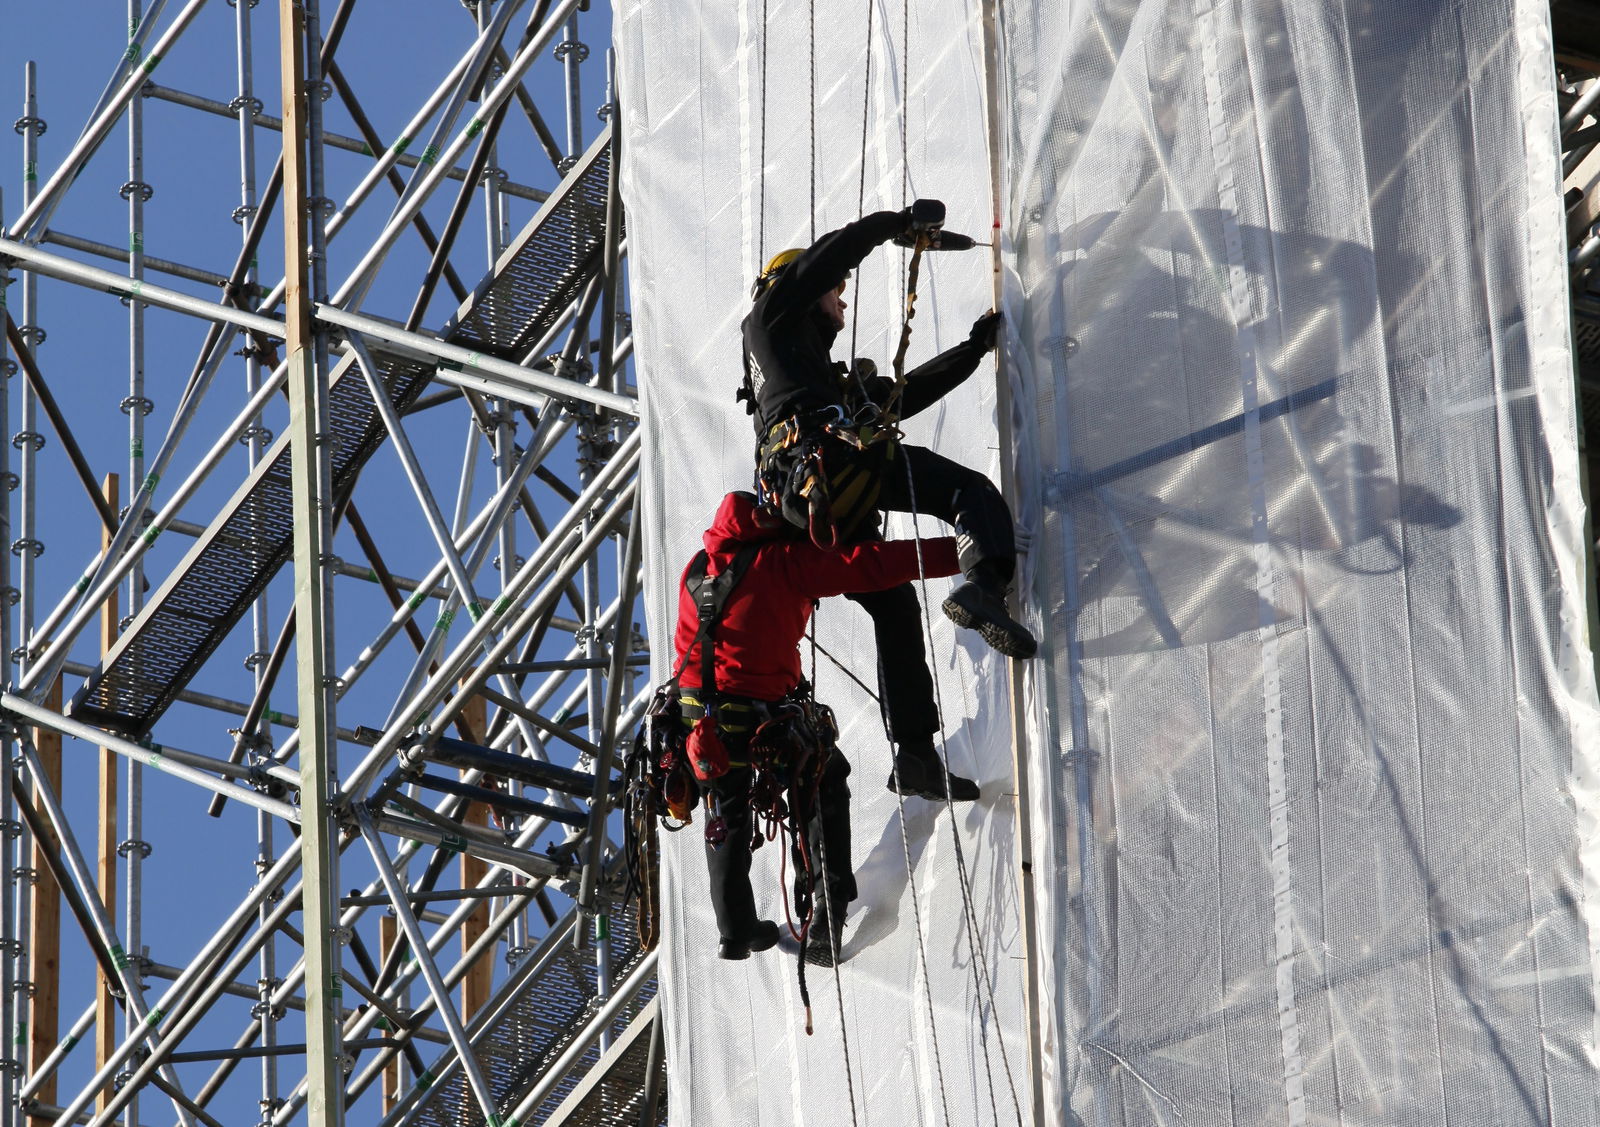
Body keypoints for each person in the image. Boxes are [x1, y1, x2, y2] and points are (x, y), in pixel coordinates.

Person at [738, 198, 1034, 803]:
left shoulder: (807, 375)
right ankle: (984, 584)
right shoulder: (770, 317)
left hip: (815, 497)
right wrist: (897, 224)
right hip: (828, 470)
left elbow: (900, 396)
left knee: (896, 609)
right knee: (966, 491)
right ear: (798, 287)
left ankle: (917, 757)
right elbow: (834, 251)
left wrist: (973, 350)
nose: (841, 301)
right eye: (834, 292)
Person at [674, 490, 963, 964]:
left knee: (724, 817)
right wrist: (961, 552)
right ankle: (826, 914)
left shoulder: (696, 569)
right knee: (823, 779)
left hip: (697, 723)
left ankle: (736, 930)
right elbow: (871, 564)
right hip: (760, 715)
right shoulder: (784, 562)